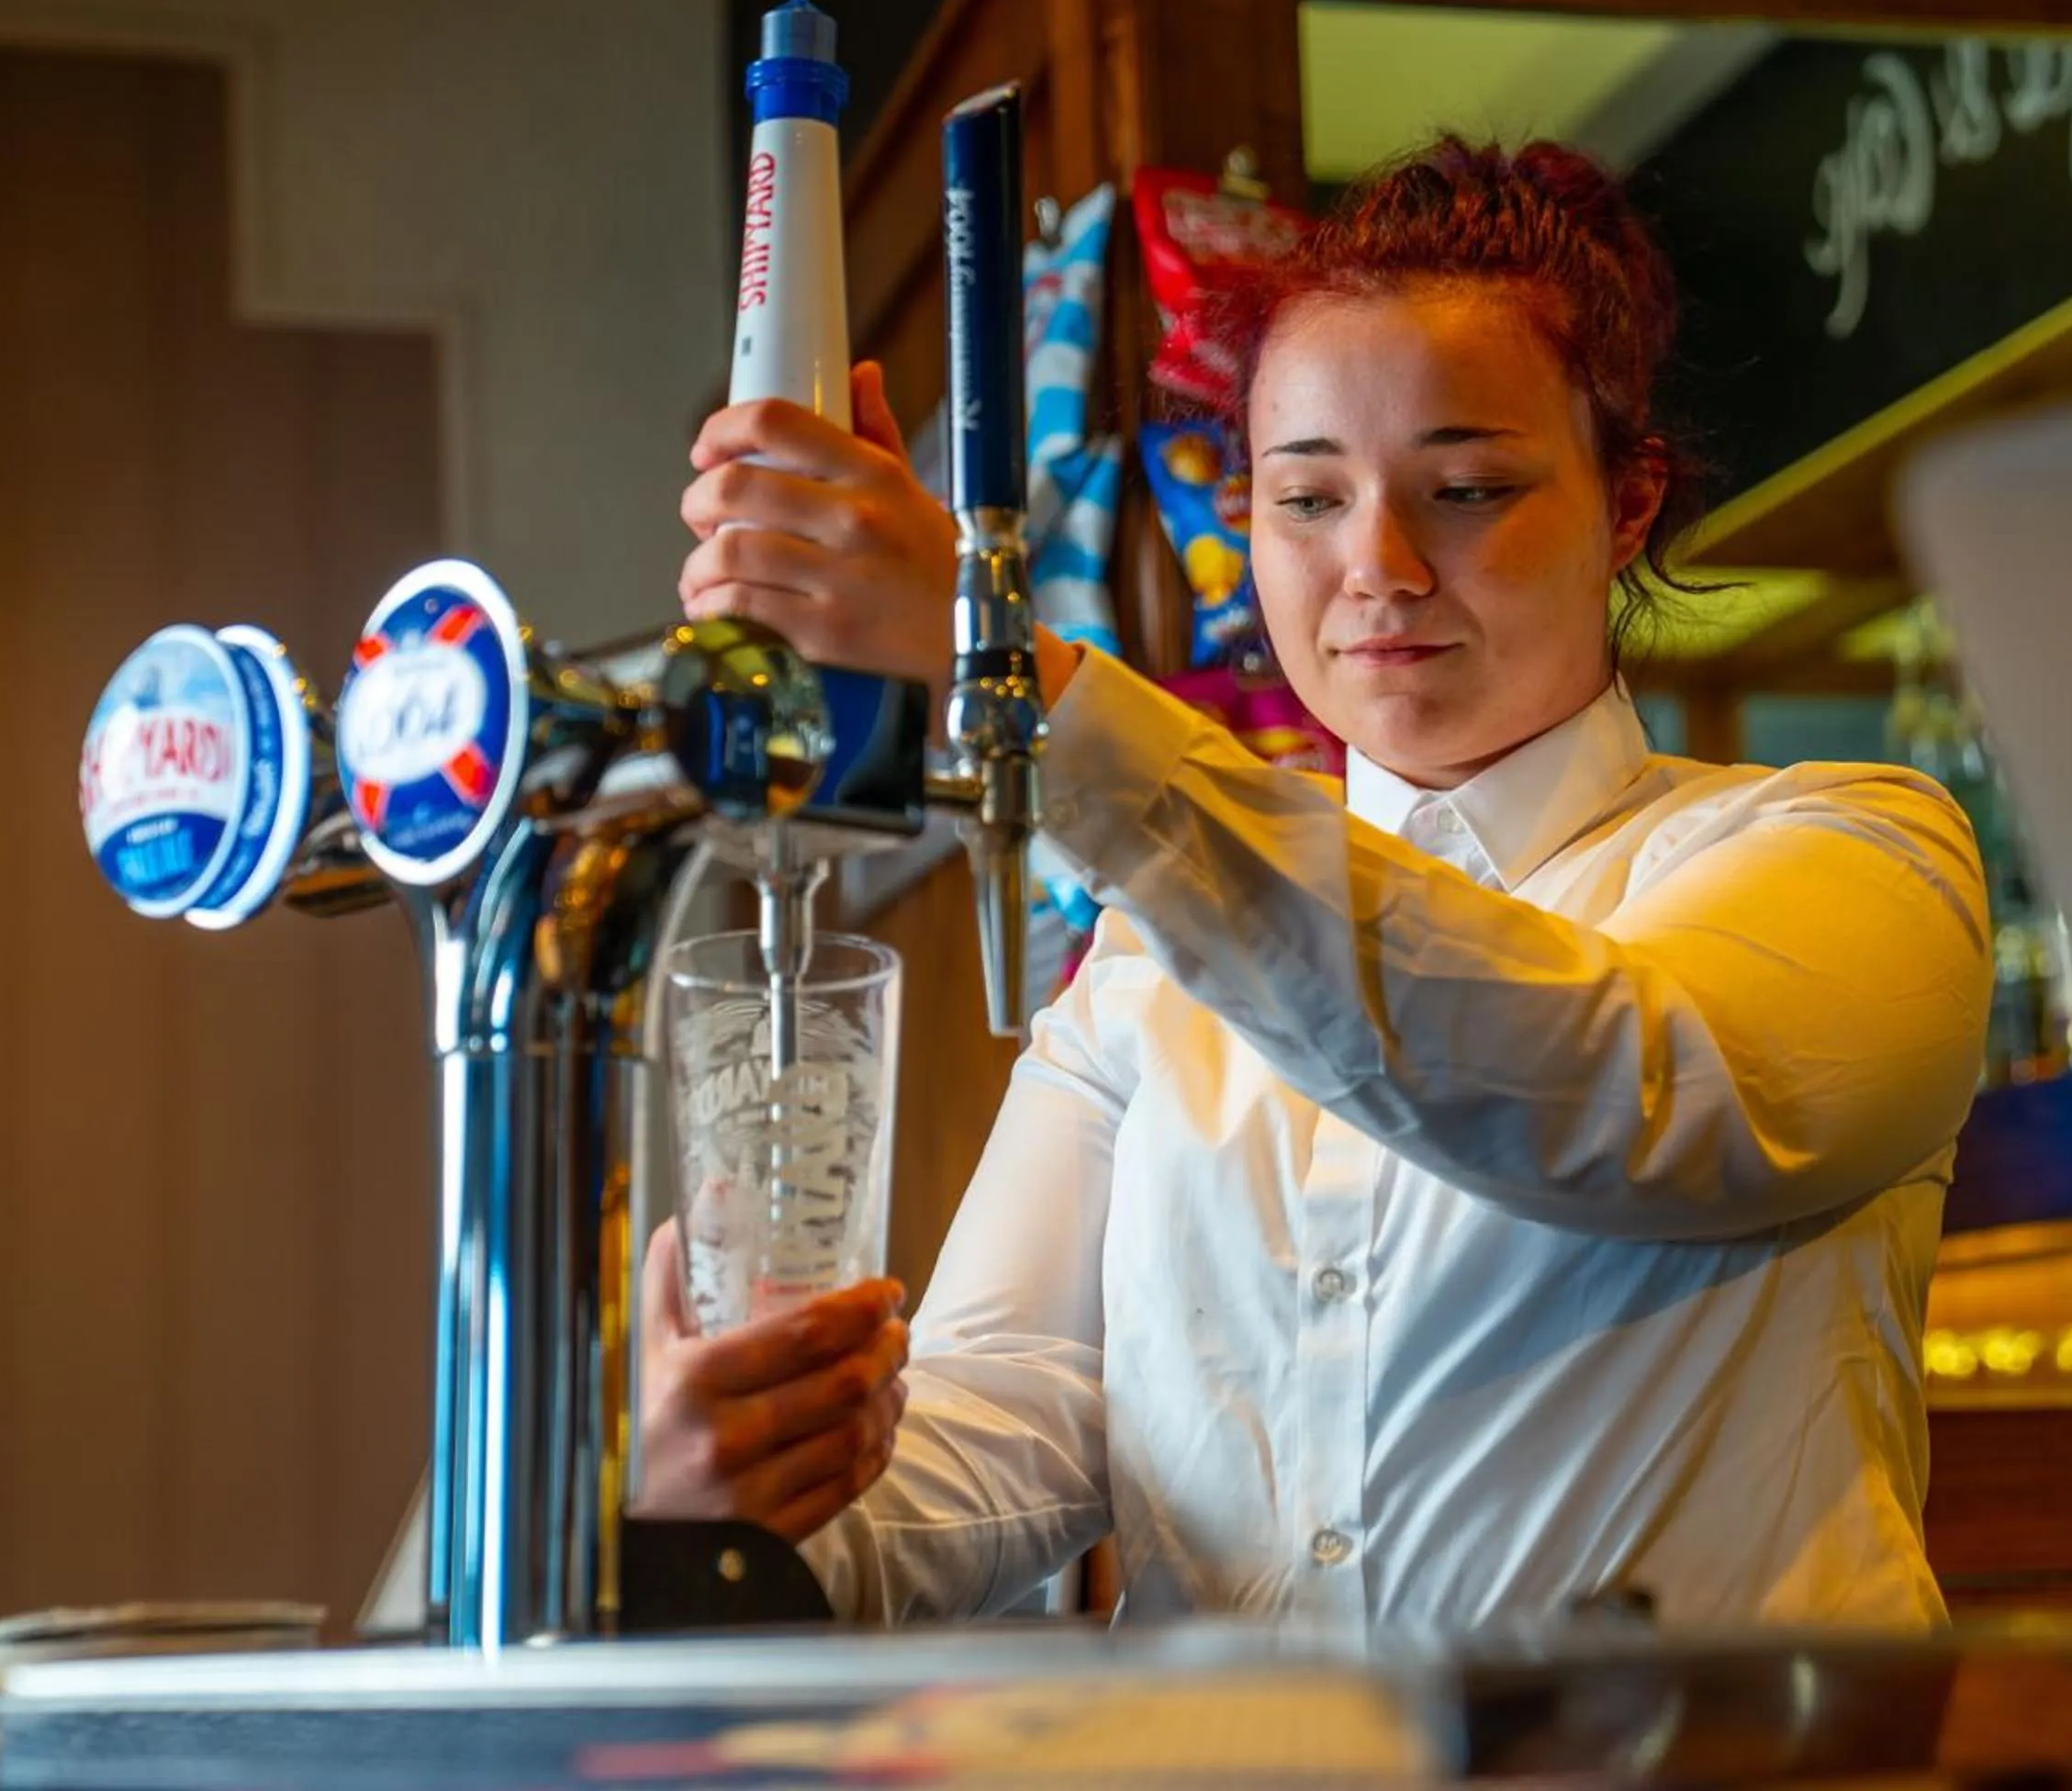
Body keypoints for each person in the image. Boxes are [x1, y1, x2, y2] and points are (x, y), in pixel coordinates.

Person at [633, 137, 1992, 1628]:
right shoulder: (1152, 962)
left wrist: (1022, 680)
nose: (1379, 564)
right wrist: (754, 1504)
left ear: (1628, 505)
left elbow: (1614, 1090)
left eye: (1466, 487)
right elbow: (997, 1426)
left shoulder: (1855, 851)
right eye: (1305, 499)